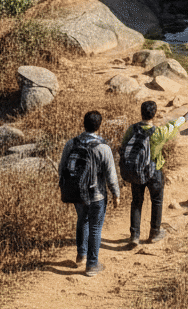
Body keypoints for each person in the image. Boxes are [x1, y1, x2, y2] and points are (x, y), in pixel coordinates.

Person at [120, 100, 188, 246]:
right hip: (154, 171)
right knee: (157, 201)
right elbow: (174, 125)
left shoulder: (132, 129)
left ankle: (134, 235)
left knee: (136, 202)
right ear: (154, 114)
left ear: (141, 112)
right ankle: (154, 233)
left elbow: (123, 146)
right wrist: (186, 117)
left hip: (136, 171)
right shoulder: (159, 133)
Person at [59, 110, 120, 276]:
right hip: (97, 195)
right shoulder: (103, 147)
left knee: (82, 220)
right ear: (99, 126)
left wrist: (65, 187)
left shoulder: (71, 143)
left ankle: (81, 255)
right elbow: (111, 175)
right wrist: (116, 194)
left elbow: (62, 168)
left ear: (83, 124)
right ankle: (92, 265)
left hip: (77, 193)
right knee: (95, 227)